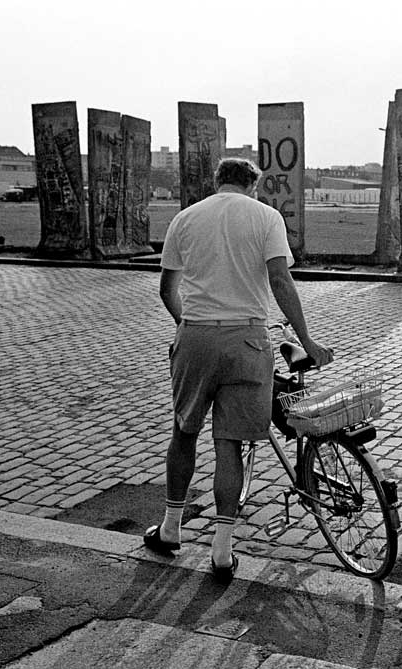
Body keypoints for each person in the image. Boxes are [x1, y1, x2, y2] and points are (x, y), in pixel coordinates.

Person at [145, 157, 333, 583]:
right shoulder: (266, 217)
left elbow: (165, 289)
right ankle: (222, 550)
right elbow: (281, 282)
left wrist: (186, 325)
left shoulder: (186, 218)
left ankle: (172, 527)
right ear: (254, 184)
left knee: (184, 431)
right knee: (230, 445)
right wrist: (307, 341)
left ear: (217, 181)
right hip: (248, 338)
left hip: (197, 334)